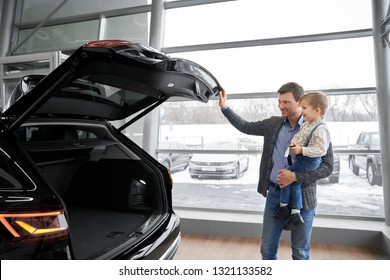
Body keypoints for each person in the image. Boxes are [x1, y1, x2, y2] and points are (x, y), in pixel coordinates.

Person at [218, 82, 333, 260]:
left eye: (286, 102)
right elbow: (245, 126)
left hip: (305, 198)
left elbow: (327, 167)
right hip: (275, 195)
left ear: (299, 102)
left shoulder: (317, 128)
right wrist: (225, 108)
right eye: (279, 101)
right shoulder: (273, 124)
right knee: (267, 250)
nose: (281, 106)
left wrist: (295, 176)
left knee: (300, 253)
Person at [274, 91, 331, 231]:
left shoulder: (321, 129)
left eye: (304, 108)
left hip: (308, 162)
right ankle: (289, 210)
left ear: (317, 110)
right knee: (290, 180)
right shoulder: (308, 124)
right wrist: (294, 146)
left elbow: (321, 152)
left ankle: (291, 212)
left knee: (292, 182)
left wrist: (301, 150)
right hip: (302, 159)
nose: (302, 110)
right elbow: (300, 138)